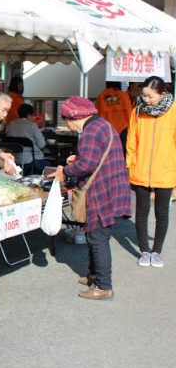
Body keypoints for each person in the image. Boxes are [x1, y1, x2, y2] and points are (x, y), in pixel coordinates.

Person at [50, 96, 131, 301]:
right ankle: (94, 275)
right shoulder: (102, 124)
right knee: (96, 235)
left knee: (97, 238)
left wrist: (65, 170)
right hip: (112, 185)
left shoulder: (90, 131)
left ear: (74, 117)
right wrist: (77, 159)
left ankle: (104, 286)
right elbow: (93, 157)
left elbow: (86, 165)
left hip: (101, 190)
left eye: (67, 120)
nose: (67, 124)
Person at [126, 76, 176, 268]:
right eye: (144, 95)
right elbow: (132, 140)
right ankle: (144, 250)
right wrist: (129, 164)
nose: (146, 100)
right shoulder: (138, 111)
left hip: (166, 170)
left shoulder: (173, 111)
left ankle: (157, 251)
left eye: (150, 96)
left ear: (162, 94)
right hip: (140, 170)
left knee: (162, 213)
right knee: (141, 211)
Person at [5, 103, 50, 174]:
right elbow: (42, 144)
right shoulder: (32, 125)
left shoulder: (11, 124)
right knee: (49, 166)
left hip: (15, 159)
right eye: (32, 115)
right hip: (32, 160)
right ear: (29, 115)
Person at [95, 81, 132, 151]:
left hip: (107, 131)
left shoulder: (101, 96)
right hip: (123, 131)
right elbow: (130, 112)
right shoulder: (124, 95)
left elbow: (97, 115)